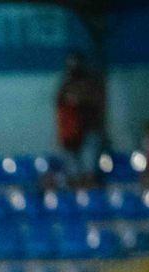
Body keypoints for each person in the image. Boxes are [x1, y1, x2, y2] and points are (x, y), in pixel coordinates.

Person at [55, 52, 105, 189]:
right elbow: (60, 103)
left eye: (76, 64)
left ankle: (91, 202)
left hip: (89, 132)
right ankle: (76, 201)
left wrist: (80, 100)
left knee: (88, 173)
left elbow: (93, 103)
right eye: (70, 65)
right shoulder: (65, 85)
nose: (73, 68)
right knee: (74, 175)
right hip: (71, 136)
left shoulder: (90, 83)